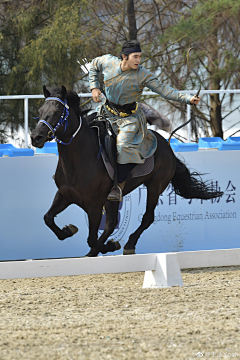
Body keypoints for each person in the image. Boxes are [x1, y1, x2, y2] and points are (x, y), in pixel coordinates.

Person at [89, 40, 200, 201]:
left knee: (124, 145)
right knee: (84, 128)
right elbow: (93, 65)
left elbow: (165, 90)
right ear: (124, 57)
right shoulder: (107, 61)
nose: (138, 60)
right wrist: (94, 87)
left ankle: (118, 186)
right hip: (105, 112)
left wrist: (189, 99)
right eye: (135, 56)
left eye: (140, 57)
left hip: (130, 119)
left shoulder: (143, 74)